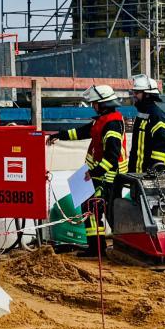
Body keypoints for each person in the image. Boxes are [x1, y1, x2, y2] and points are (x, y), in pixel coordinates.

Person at [62, 84, 126, 261]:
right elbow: (82, 132)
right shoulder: (103, 120)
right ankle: (96, 247)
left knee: (99, 210)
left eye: (94, 103)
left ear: (102, 104)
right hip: (99, 175)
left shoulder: (112, 124)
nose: (93, 106)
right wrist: (60, 135)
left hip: (108, 177)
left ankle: (99, 248)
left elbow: (111, 157)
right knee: (90, 208)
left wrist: (94, 172)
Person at [127, 76, 165, 175]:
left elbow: (163, 142)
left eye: (137, 92)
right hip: (138, 173)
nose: (134, 95)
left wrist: (154, 168)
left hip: (152, 175)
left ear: (147, 95)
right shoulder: (142, 114)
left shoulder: (157, 115)